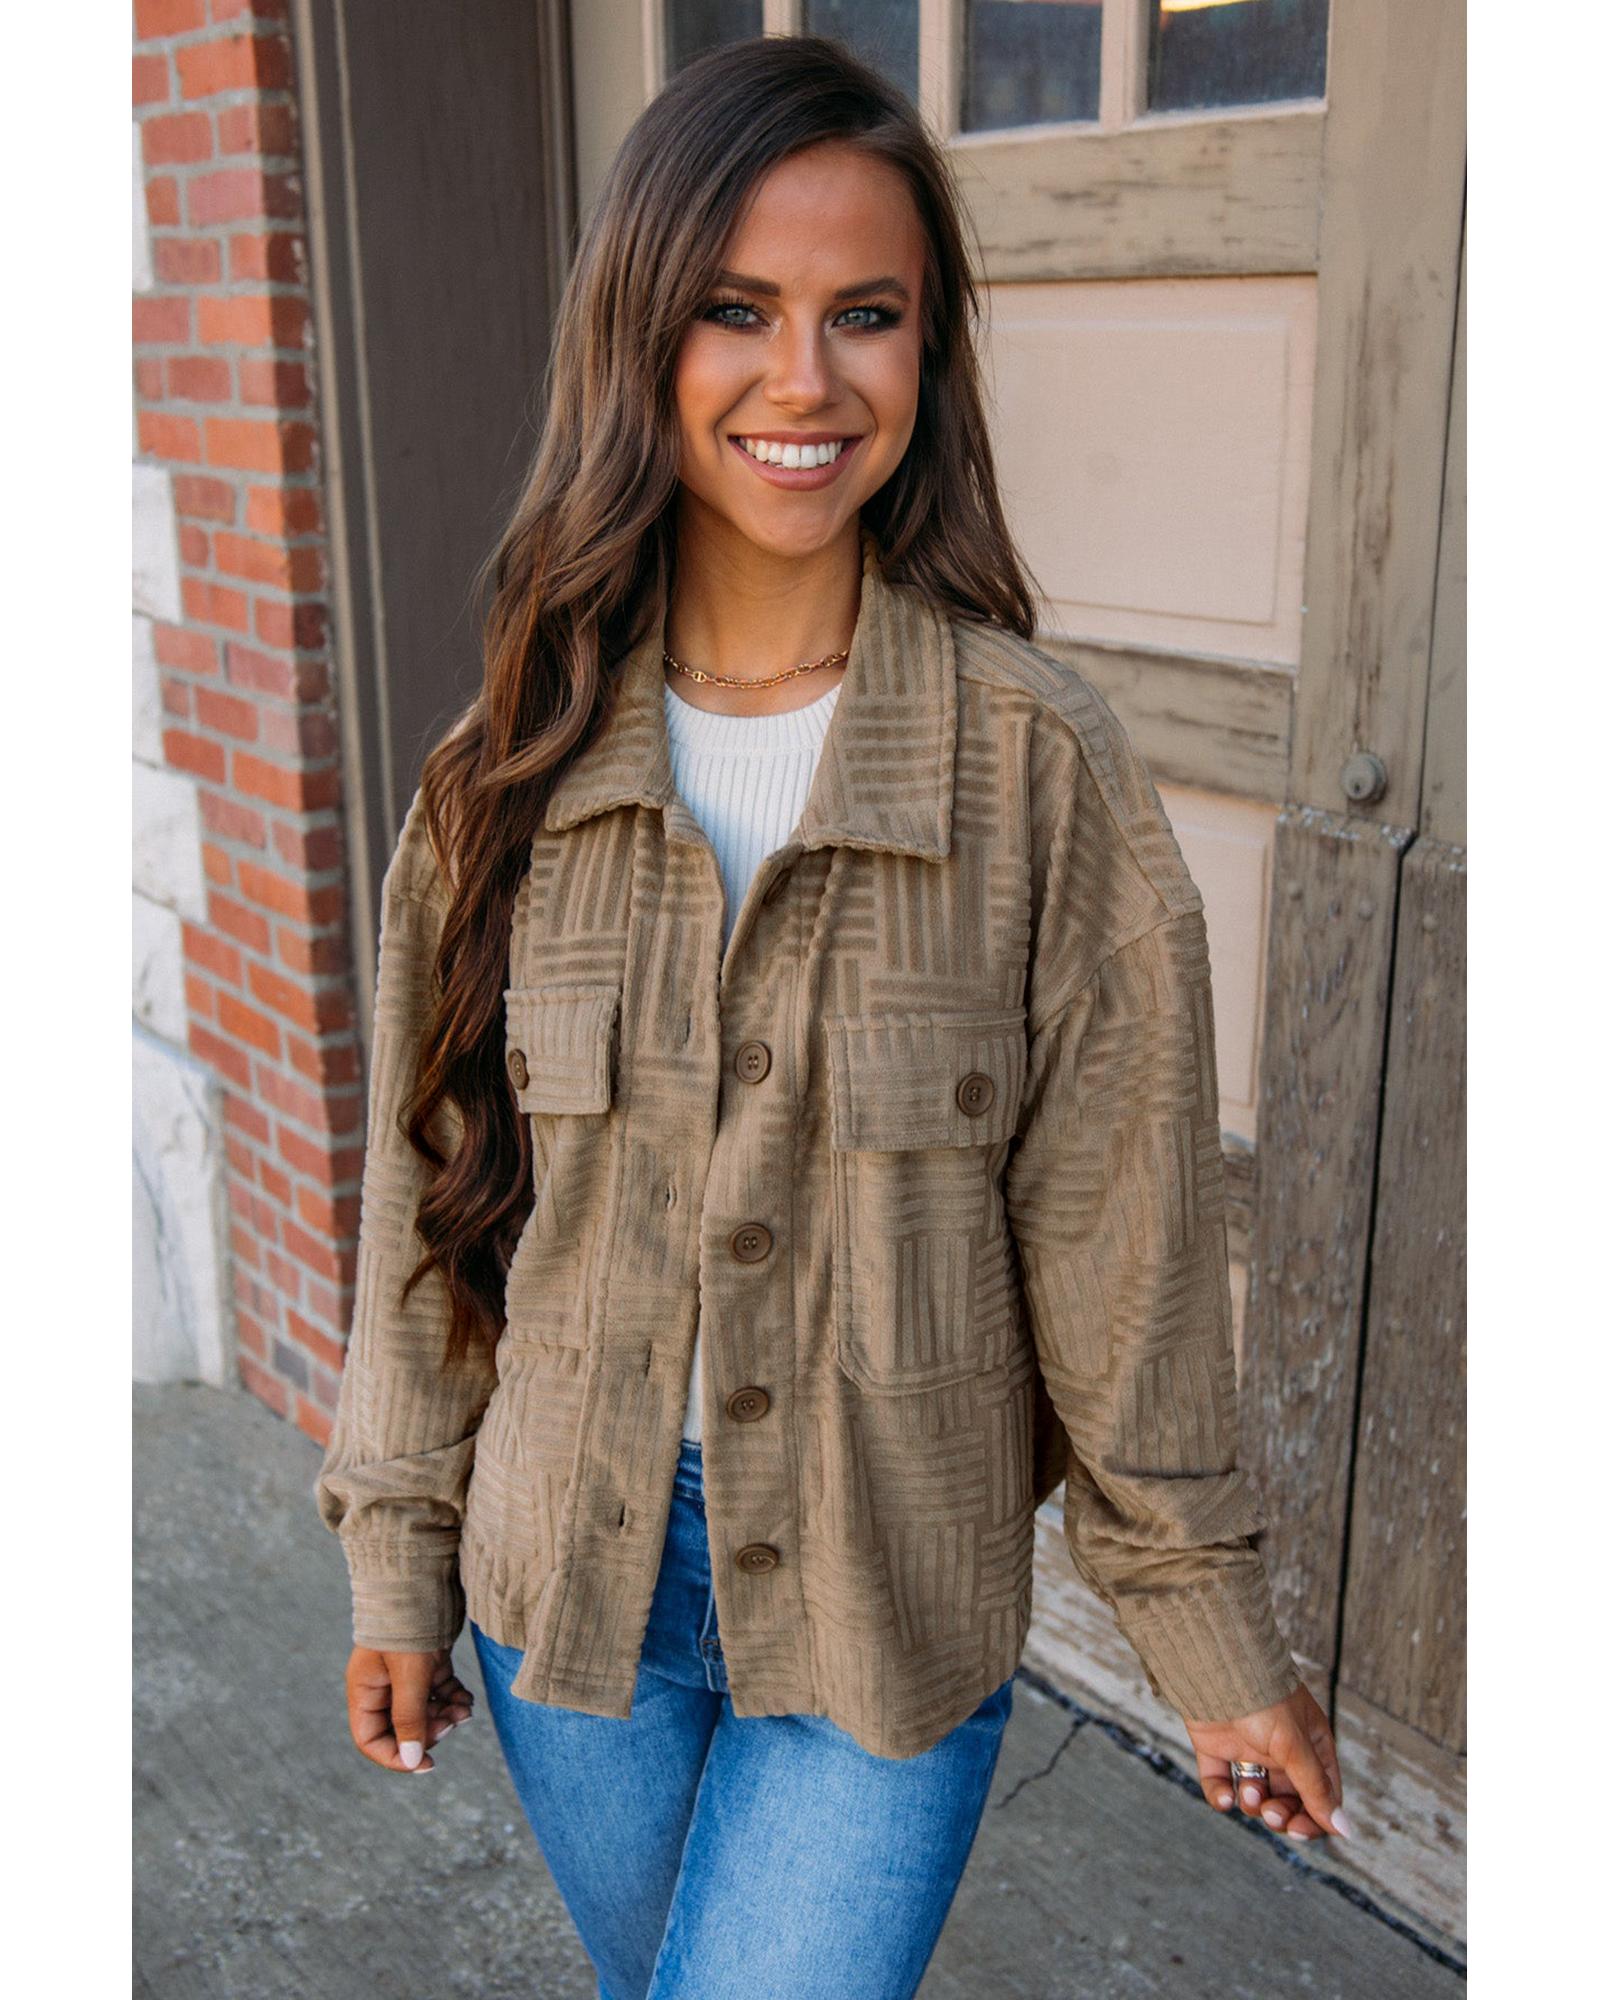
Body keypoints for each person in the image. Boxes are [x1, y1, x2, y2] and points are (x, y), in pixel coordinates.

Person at [315, 33, 1347, 2000]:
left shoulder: (1035, 773)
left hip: (887, 1603)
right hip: (567, 1593)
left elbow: (1121, 1251)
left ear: (928, 355)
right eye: (736, 310)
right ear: (639, 342)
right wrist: (397, 1550)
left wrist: (1203, 1631)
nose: (805, 379)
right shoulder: (498, 776)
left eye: (864, 314)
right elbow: (428, 1203)